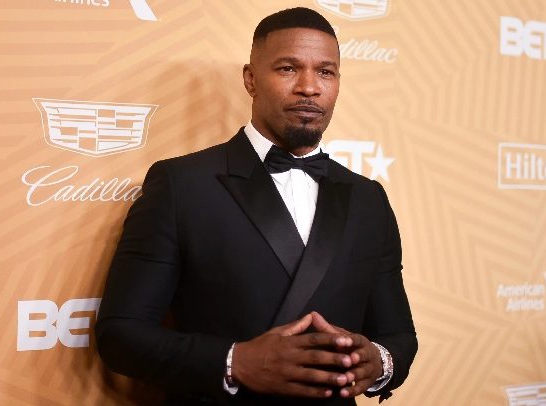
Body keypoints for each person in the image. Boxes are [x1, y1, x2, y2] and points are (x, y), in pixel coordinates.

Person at [95, 7, 417, 406]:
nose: (309, 87)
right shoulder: (182, 185)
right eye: (287, 69)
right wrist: (236, 361)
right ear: (250, 79)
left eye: (325, 72)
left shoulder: (368, 198)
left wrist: (379, 362)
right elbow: (120, 335)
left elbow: (399, 336)